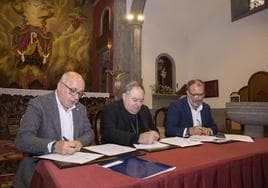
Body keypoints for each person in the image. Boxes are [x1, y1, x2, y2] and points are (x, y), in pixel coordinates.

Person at [14, 71, 94, 188]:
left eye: (80, 93)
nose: (76, 97)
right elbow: (22, 140)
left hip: (73, 166)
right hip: (40, 168)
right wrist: (54, 146)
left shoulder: (80, 109)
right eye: (72, 91)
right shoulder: (39, 105)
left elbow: (89, 133)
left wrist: (80, 142)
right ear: (60, 86)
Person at [100, 81, 159, 146]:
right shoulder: (111, 109)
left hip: (141, 150)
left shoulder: (144, 110)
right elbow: (109, 133)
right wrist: (138, 138)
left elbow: (153, 129)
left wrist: (155, 134)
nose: (138, 104)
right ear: (124, 96)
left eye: (141, 100)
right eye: (135, 100)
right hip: (116, 152)